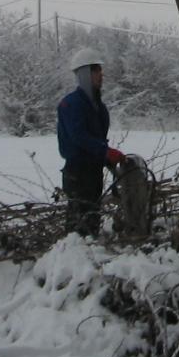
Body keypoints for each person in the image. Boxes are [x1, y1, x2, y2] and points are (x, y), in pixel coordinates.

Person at [57, 48, 125, 237]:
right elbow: (78, 136)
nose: (100, 74)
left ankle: (89, 252)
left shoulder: (99, 107)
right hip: (77, 172)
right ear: (84, 73)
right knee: (79, 224)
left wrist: (107, 158)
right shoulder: (70, 104)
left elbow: (96, 138)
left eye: (100, 69)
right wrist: (105, 151)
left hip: (93, 172)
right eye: (95, 69)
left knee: (92, 219)